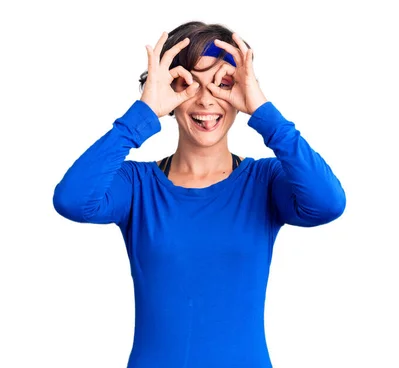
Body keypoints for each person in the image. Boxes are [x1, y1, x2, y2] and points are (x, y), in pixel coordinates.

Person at [53, 20, 345, 367]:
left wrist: (265, 112)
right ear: (169, 93)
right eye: (188, 84)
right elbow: (72, 200)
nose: (206, 99)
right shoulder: (137, 185)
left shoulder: (264, 181)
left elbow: (327, 204)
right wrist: (141, 115)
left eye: (223, 84)